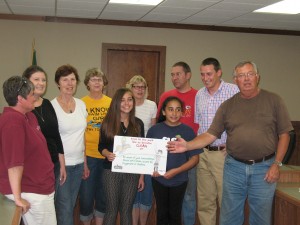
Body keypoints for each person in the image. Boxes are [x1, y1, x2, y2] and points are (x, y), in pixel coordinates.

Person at [168, 61, 293, 225]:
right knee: (230, 217)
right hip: (234, 168)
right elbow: (211, 134)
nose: (246, 79)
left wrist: (277, 164)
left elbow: (285, 134)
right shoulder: (227, 106)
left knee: (261, 218)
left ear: (257, 77)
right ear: (236, 80)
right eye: (241, 75)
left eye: (250, 74)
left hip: (264, 168)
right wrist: (188, 145)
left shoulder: (274, 100)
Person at [0, 76, 56, 225]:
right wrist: (18, 198)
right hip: (31, 191)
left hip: (41, 187)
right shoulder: (12, 121)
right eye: (32, 94)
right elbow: (14, 164)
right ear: (20, 99)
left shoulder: (29, 116)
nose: (35, 97)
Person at [194, 58, 239, 225]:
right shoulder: (199, 94)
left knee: (226, 201)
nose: (206, 78)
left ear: (219, 73)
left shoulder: (234, 91)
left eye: (209, 74)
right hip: (203, 153)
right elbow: (199, 126)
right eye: (202, 74)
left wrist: (234, 143)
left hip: (223, 154)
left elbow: (243, 121)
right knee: (205, 202)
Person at [157, 61, 199, 225]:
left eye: (178, 74)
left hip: (190, 152)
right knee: (165, 204)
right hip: (167, 155)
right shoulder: (165, 96)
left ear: (188, 75)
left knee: (189, 196)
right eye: (172, 75)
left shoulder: (198, 95)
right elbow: (158, 124)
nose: (174, 77)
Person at [149, 96, 202, 225]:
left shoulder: (188, 131)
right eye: (170, 109)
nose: (174, 113)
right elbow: (148, 155)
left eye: (178, 110)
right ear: (163, 112)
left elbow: (195, 159)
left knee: (175, 215)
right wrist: (152, 169)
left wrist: (177, 171)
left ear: (182, 112)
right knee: (161, 214)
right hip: (159, 179)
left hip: (179, 180)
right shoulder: (154, 130)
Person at [99, 88, 145, 225]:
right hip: (111, 171)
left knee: (126, 210)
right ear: (116, 103)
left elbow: (142, 151)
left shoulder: (138, 124)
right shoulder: (107, 122)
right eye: (122, 100)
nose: (126, 103)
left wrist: (141, 176)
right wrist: (107, 154)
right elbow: (101, 146)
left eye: (130, 99)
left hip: (132, 173)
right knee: (111, 210)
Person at [51, 64, 87, 225]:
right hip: (61, 166)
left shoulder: (81, 104)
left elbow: (83, 136)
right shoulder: (51, 106)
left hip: (78, 164)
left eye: (72, 79)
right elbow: (52, 140)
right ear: (58, 83)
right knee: (65, 208)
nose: (69, 83)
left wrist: (85, 163)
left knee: (70, 206)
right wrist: (62, 165)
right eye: (65, 79)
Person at [22, 65, 67, 195]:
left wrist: (62, 165)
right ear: (26, 81)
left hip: (53, 165)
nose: (41, 83)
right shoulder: (23, 108)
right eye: (36, 79)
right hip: (33, 169)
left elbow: (56, 135)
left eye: (43, 80)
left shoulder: (47, 104)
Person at [79, 68, 111, 225]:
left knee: (103, 196)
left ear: (104, 83)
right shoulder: (80, 103)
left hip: (106, 157)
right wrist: (84, 161)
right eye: (93, 79)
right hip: (88, 156)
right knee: (86, 196)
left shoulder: (111, 103)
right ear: (87, 83)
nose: (97, 82)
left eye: (99, 79)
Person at [126, 75, 157, 225]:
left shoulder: (151, 105)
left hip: (147, 153)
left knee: (146, 192)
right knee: (132, 192)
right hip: (130, 154)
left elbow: (153, 131)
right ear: (130, 88)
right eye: (136, 86)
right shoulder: (126, 105)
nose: (139, 89)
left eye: (142, 87)